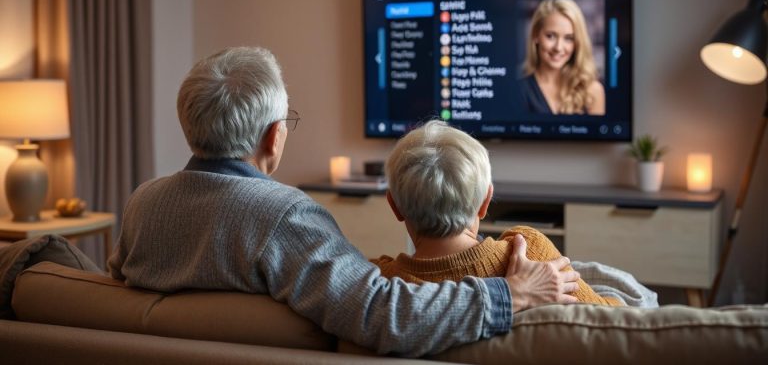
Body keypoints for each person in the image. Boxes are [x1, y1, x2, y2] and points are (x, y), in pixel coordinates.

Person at [107, 47, 581, 357]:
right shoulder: (284, 217)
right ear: (275, 136)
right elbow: (382, 314)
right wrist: (509, 294)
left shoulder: (141, 203)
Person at [371, 120, 621, 306]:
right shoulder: (528, 252)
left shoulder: (377, 284)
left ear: (395, 206)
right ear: (485, 202)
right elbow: (612, 320)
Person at [519, 0, 606, 115]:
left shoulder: (593, 91)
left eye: (569, 38)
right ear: (536, 35)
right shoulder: (518, 89)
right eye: (550, 36)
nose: (558, 48)